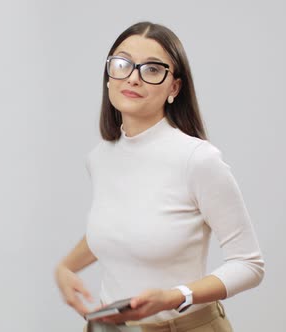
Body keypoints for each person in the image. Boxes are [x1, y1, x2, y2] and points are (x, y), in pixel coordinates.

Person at [54, 21, 265, 332]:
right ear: (109, 77)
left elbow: (250, 265)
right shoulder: (101, 157)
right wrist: (65, 268)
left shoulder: (198, 160)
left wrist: (175, 297)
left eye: (152, 70)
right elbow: (119, 227)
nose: (133, 78)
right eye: (122, 64)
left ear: (174, 87)